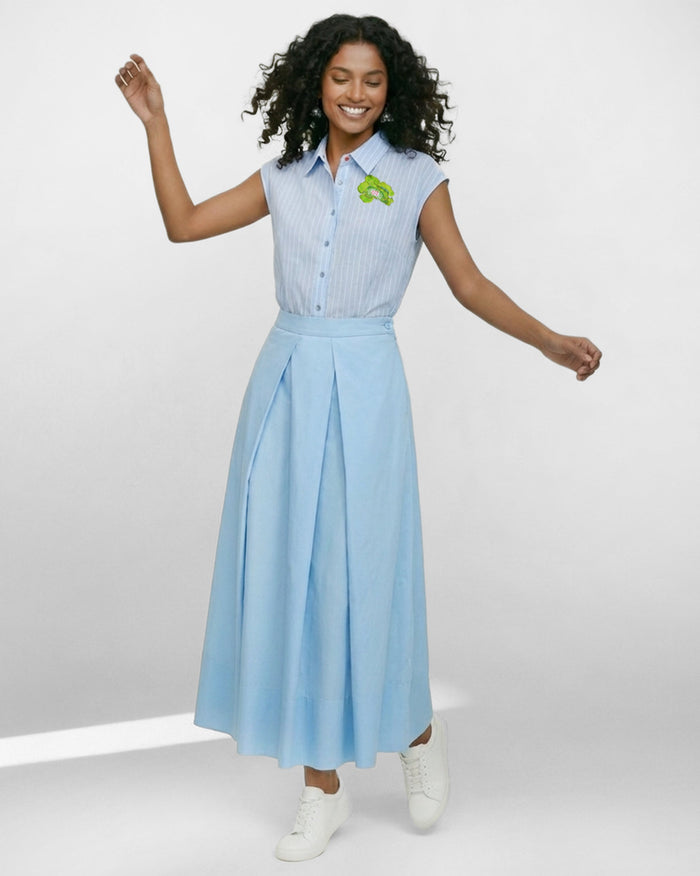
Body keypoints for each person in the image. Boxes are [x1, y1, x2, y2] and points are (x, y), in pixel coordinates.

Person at [115, 13, 601, 863]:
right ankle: (322, 788)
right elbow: (183, 223)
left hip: (368, 387)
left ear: (391, 90)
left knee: (363, 572)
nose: (356, 93)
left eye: (372, 80)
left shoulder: (416, 178)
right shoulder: (283, 178)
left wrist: (548, 340)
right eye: (342, 76)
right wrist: (157, 124)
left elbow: (467, 282)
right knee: (293, 579)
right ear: (316, 83)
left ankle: (415, 730)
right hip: (286, 385)